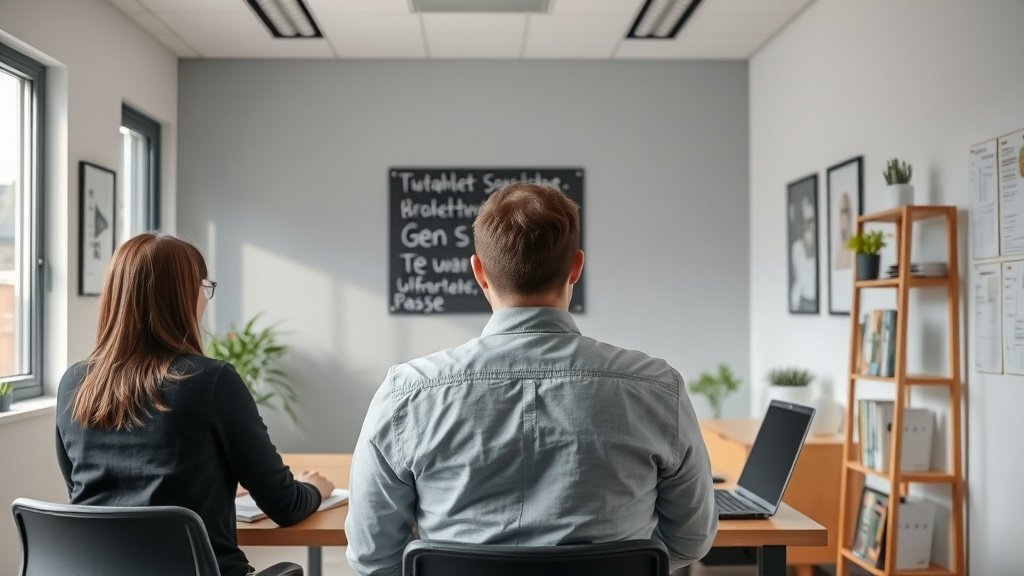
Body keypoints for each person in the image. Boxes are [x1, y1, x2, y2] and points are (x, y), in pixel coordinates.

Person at [346, 182, 717, 576]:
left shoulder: (406, 393)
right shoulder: (659, 388)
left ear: (479, 272)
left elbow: (373, 557)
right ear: (576, 267)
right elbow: (690, 539)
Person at [56, 232, 334, 576]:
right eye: (203, 287)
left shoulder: (75, 383)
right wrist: (316, 489)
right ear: (184, 295)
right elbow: (285, 505)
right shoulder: (210, 380)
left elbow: (93, 495)